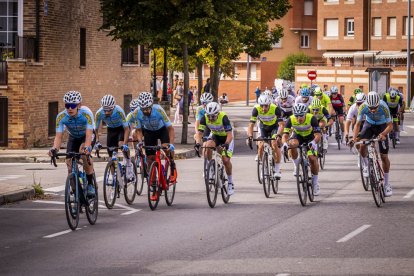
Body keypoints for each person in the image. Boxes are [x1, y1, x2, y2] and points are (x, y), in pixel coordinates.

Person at [48, 91, 96, 198]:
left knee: (83, 153)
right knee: (69, 165)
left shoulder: (86, 114)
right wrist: (54, 149)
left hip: (86, 135)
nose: (70, 108)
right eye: (67, 105)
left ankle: (90, 184)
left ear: (79, 105)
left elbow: (89, 136)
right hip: (73, 137)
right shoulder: (61, 117)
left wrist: (87, 148)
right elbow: (58, 137)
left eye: (73, 105)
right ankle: (75, 195)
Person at [133, 92, 177, 193]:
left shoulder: (159, 110)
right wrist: (140, 142)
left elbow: (170, 129)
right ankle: (152, 181)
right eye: (143, 109)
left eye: (148, 108)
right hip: (148, 132)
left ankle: (172, 164)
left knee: (166, 149)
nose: (146, 111)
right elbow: (138, 130)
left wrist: (171, 144)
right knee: (150, 158)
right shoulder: (136, 113)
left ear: (152, 105)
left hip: (162, 130)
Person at [352, 91, 393, 197]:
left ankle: (387, 184)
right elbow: (357, 124)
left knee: (384, 156)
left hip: (382, 126)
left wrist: (383, 134)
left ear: (378, 103)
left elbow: (390, 125)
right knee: (362, 145)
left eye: (375, 107)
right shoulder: (363, 107)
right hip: (369, 124)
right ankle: (366, 165)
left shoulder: (384, 106)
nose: (373, 110)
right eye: (371, 108)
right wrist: (353, 138)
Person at [195, 102, 235, 195]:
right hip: (216, 135)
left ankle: (230, 182)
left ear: (217, 114)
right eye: (209, 116)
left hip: (226, 138)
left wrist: (226, 144)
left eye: (213, 116)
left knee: (225, 160)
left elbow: (229, 135)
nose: (210, 119)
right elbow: (200, 133)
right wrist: (197, 143)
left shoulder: (223, 117)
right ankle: (211, 169)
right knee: (207, 145)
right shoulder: (204, 118)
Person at [282, 103, 321, 195]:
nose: (299, 118)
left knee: (312, 158)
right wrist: (284, 143)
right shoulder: (290, 119)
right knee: (292, 144)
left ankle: (315, 183)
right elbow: (285, 135)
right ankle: (296, 165)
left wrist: (314, 142)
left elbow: (318, 134)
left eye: (301, 116)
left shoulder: (312, 118)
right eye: (296, 116)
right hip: (298, 136)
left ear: (305, 114)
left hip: (310, 138)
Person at [95, 94, 134, 181]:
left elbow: (127, 129)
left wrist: (125, 144)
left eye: (109, 110)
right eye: (105, 110)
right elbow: (96, 129)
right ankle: (114, 180)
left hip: (121, 128)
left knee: (121, 144)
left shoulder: (119, 111)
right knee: (110, 156)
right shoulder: (99, 113)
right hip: (111, 129)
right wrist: (97, 142)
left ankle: (128, 163)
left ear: (113, 107)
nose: (106, 112)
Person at [247, 94, 285, 179]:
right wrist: (250, 136)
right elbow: (251, 125)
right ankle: (263, 168)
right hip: (263, 127)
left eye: (266, 106)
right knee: (260, 145)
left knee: (274, 144)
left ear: (269, 104)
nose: (263, 108)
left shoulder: (275, 109)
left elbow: (281, 125)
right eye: (262, 106)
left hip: (274, 127)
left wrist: (279, 134)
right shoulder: (256, 109)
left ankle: (277, 169)